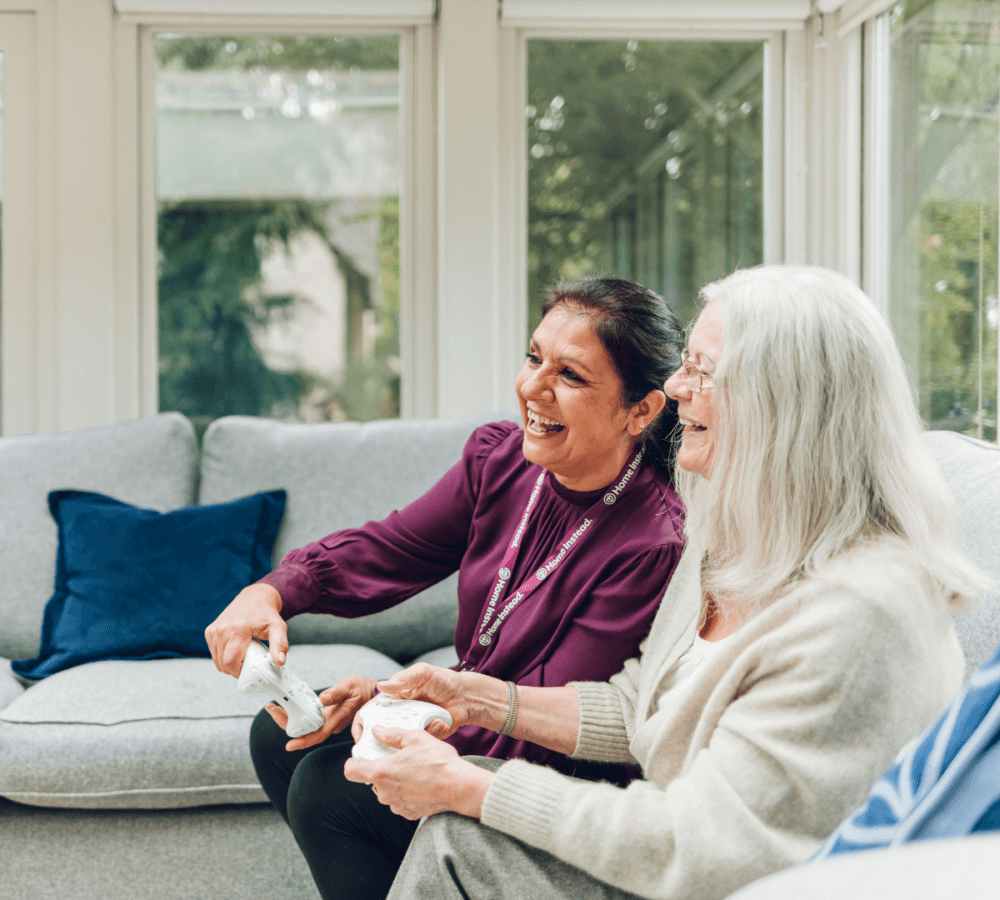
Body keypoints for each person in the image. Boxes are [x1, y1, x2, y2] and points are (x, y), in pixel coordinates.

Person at [344, 265, 989, 900]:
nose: (676, 386)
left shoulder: (860, 612)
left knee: (460, 835)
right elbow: (642, 707)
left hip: (749, 881)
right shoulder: (734, 536)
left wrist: (473, 789)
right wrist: (478, 699)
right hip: (690, 851)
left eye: (704, 372)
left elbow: (702, 846)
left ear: (782, 403)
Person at [205, 276, 687, 900]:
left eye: (570, 376)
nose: (532, 387)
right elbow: (392, 548)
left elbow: (545, 718)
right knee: (284, 735)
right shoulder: (502, 460)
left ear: (641, 410)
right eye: (534, 357)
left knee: (330, 785)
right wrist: (272, 592)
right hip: (469, 713)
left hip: (553, 776)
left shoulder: (652, 544)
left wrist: (384, 708)